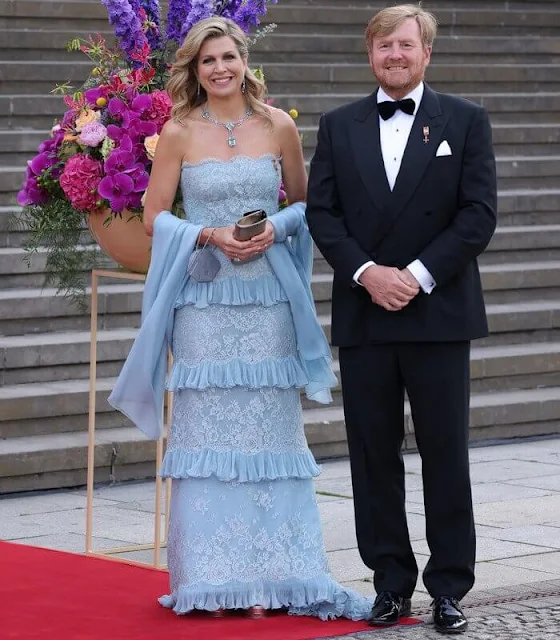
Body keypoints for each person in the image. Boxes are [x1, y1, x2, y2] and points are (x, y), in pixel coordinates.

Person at [109, 16, 372, 621]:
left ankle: (278, 574)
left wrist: (272, 228)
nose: (220, 68)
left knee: (272, 434)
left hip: (269, 303)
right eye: (208, 61)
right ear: (194, 70)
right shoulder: (177, 132)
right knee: (207, 434)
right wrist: (209, 234)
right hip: (205, 304)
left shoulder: (278, 125)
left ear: (244, 58)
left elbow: (307, 205)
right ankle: (210, 580)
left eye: (228, 56)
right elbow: (153, 218)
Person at [306, 4, 497, 634]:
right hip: (366, 313)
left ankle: (449, 588)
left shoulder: (465, 122)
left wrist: (414, 275)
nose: (395, 54)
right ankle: (390, 584)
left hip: (438, 313)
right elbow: (323, 215)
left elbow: (477, 215)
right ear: (370, 53)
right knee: (371, 456)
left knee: (446, 453)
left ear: (426, 53)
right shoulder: (338, 126)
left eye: (406, 44)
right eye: (384, 44)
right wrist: (368, 274)